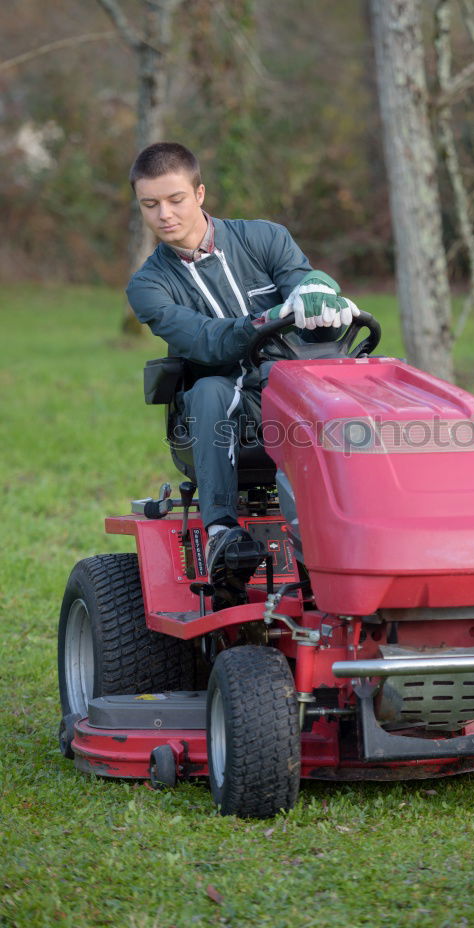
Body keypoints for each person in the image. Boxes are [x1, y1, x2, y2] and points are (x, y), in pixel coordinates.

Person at [126, 141, 358, 595]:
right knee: (210, 388)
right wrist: (267, 318)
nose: (164, 215)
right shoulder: (148, 285)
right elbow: (206, 342)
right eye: (150, 205)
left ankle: (372, 521)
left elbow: (299, 278)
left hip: (296, 391)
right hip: (229, 406)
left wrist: (319, 287)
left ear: (199, 194)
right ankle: (222, 535)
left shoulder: (264, 237)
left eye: (175, 200)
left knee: (369, 381)